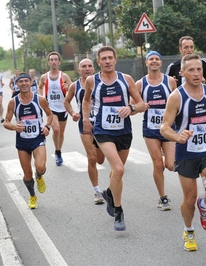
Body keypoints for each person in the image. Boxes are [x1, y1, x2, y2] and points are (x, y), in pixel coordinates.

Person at [160, 54, 206, 251]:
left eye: (199, 69)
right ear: (182, 73)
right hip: (186, 153)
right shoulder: (176, 97)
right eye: (191, 70)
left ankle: (205, 203)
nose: (196, 73)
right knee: (189, 199)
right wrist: (177, 137)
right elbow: (164, 127)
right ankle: (189, 230)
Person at [82, 46, 147, 231]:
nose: (108, 61)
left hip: (124, 131)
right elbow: (86, 100)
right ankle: (118, 211)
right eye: (104, 58)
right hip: (103, 130)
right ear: (99, 62)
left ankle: (109, 193)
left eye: (110, 57)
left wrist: (131, 108)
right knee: (118, 169)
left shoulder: (126, 80)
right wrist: (86, 119)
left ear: (115, 60)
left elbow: (142, 104)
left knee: (117, 172)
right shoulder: (91, 81)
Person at [133, 51, 177, 211]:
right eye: (151, 59)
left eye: (157, 59)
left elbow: (178, 102)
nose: (154, 61)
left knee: (171, 165)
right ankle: (163, 198)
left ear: (161, 62)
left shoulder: (170, 81)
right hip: (150, 129)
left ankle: (167, 152)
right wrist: (139, 107)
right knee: (158, 164)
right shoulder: (140, 84)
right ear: (146, 63)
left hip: (168, 128)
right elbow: (133, 107)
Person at [3, 72, 53, 209]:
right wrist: (14, 126)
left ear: (31, 83)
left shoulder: (40, 99)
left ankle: (39, 175)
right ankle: (32, 196)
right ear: (16, 84)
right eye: (21, 81)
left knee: (40, 166)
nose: (24, 83)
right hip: (22, 141)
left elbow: (50, 114)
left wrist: (47, 126)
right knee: (27, 174)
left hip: (38, 138)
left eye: (26, 81)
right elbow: (5, 122)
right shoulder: (13, 102)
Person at [63, 58, 106, 204]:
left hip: (102, 123)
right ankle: (97, 191)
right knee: (92, 158)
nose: (87, 69)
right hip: (85, 124)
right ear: (79, 70)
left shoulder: (101, 81)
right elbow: (66, 101)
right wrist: (73, 113)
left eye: (89, 66)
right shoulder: (75, 86)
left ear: (94, 68)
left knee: (100, 159)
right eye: (84, 67)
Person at [38, 52, 72, 166]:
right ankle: (57, 153)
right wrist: (42, 98)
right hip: (51, 108)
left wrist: (67, 88)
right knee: (56, 129)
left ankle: (59, 151)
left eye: (55, 59)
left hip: (63, 108)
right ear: (48, 62)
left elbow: (72, 89)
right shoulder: (44, 77)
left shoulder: (64, 76)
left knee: (61, 133)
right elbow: (40, 87)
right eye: (51, 60)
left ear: (59, 62)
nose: (53, 61)